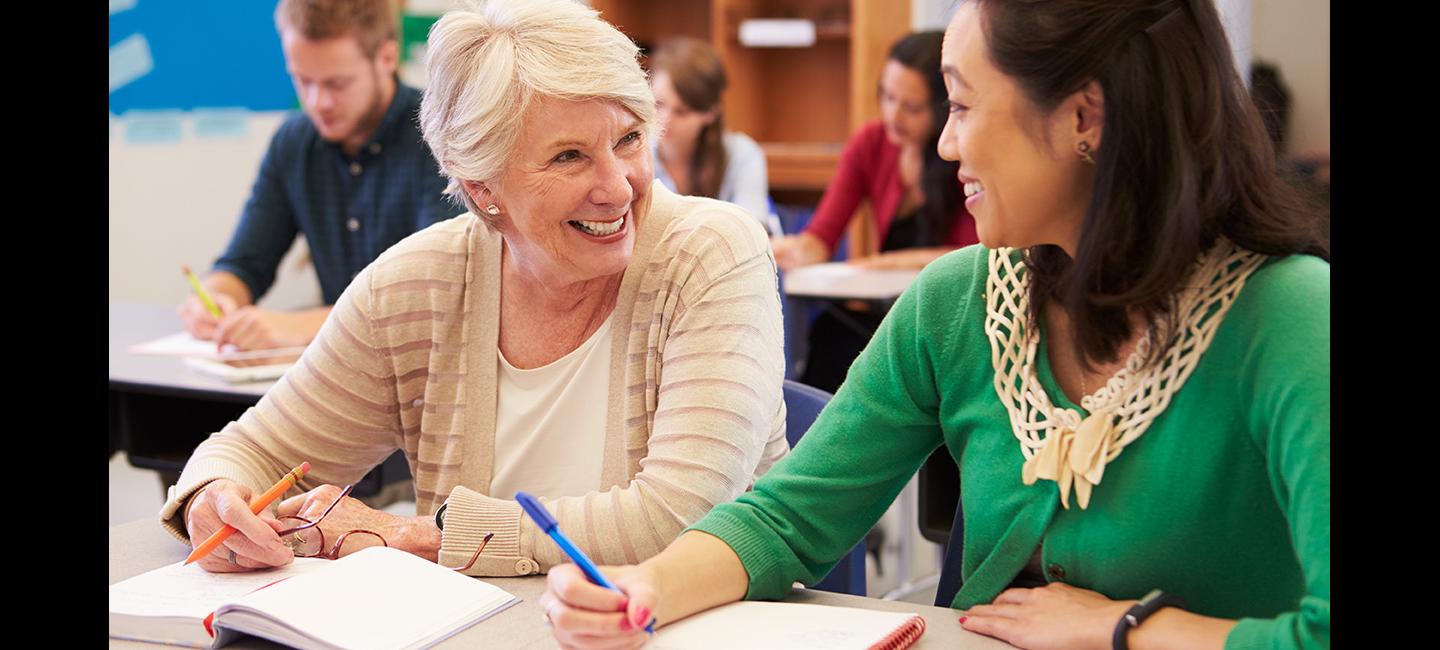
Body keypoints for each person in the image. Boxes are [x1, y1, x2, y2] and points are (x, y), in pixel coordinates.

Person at [541, 2, 1330, 649]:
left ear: (1085, 116)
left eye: (960, 104)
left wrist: (1126, 629)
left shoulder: (1289, 316)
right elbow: (787, 519)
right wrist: (646, 586)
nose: (945, 142)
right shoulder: (960, 299)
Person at [160, 0, 790, 579]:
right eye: (569, 156)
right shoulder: (417, 284)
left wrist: (413, 537)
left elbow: (678, 521)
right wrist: (212, 501)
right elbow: (253, 450)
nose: (619, 187)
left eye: (628, 139)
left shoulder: (713, 252)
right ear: (483, 187)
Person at [177, 0, 460, 352]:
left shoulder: (440, 139)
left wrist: (301, 326)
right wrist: (217, 297)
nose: (318, 102)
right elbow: (246, 262)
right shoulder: (294, 143)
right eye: (303, 81)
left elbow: (433, 295)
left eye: (336, 84)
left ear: (387, 58)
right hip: (341, 373)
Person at [773, 31, 980, 393]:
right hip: (888, 312)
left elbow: (971, 252)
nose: (892, 115)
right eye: (886, 96)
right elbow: (821, 237)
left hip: (951, 316)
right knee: (831, 336)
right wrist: (791, 249)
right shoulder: (870, 143)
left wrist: (882, 263)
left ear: (942, 107)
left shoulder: (962, 153)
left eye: (910, 107)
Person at [649, 37, 773, 233]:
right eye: (658, 104)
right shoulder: (633, 152)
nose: (665, 120)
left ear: (711, 112)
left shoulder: (743, 154)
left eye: (682, 112)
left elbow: (752, 229)